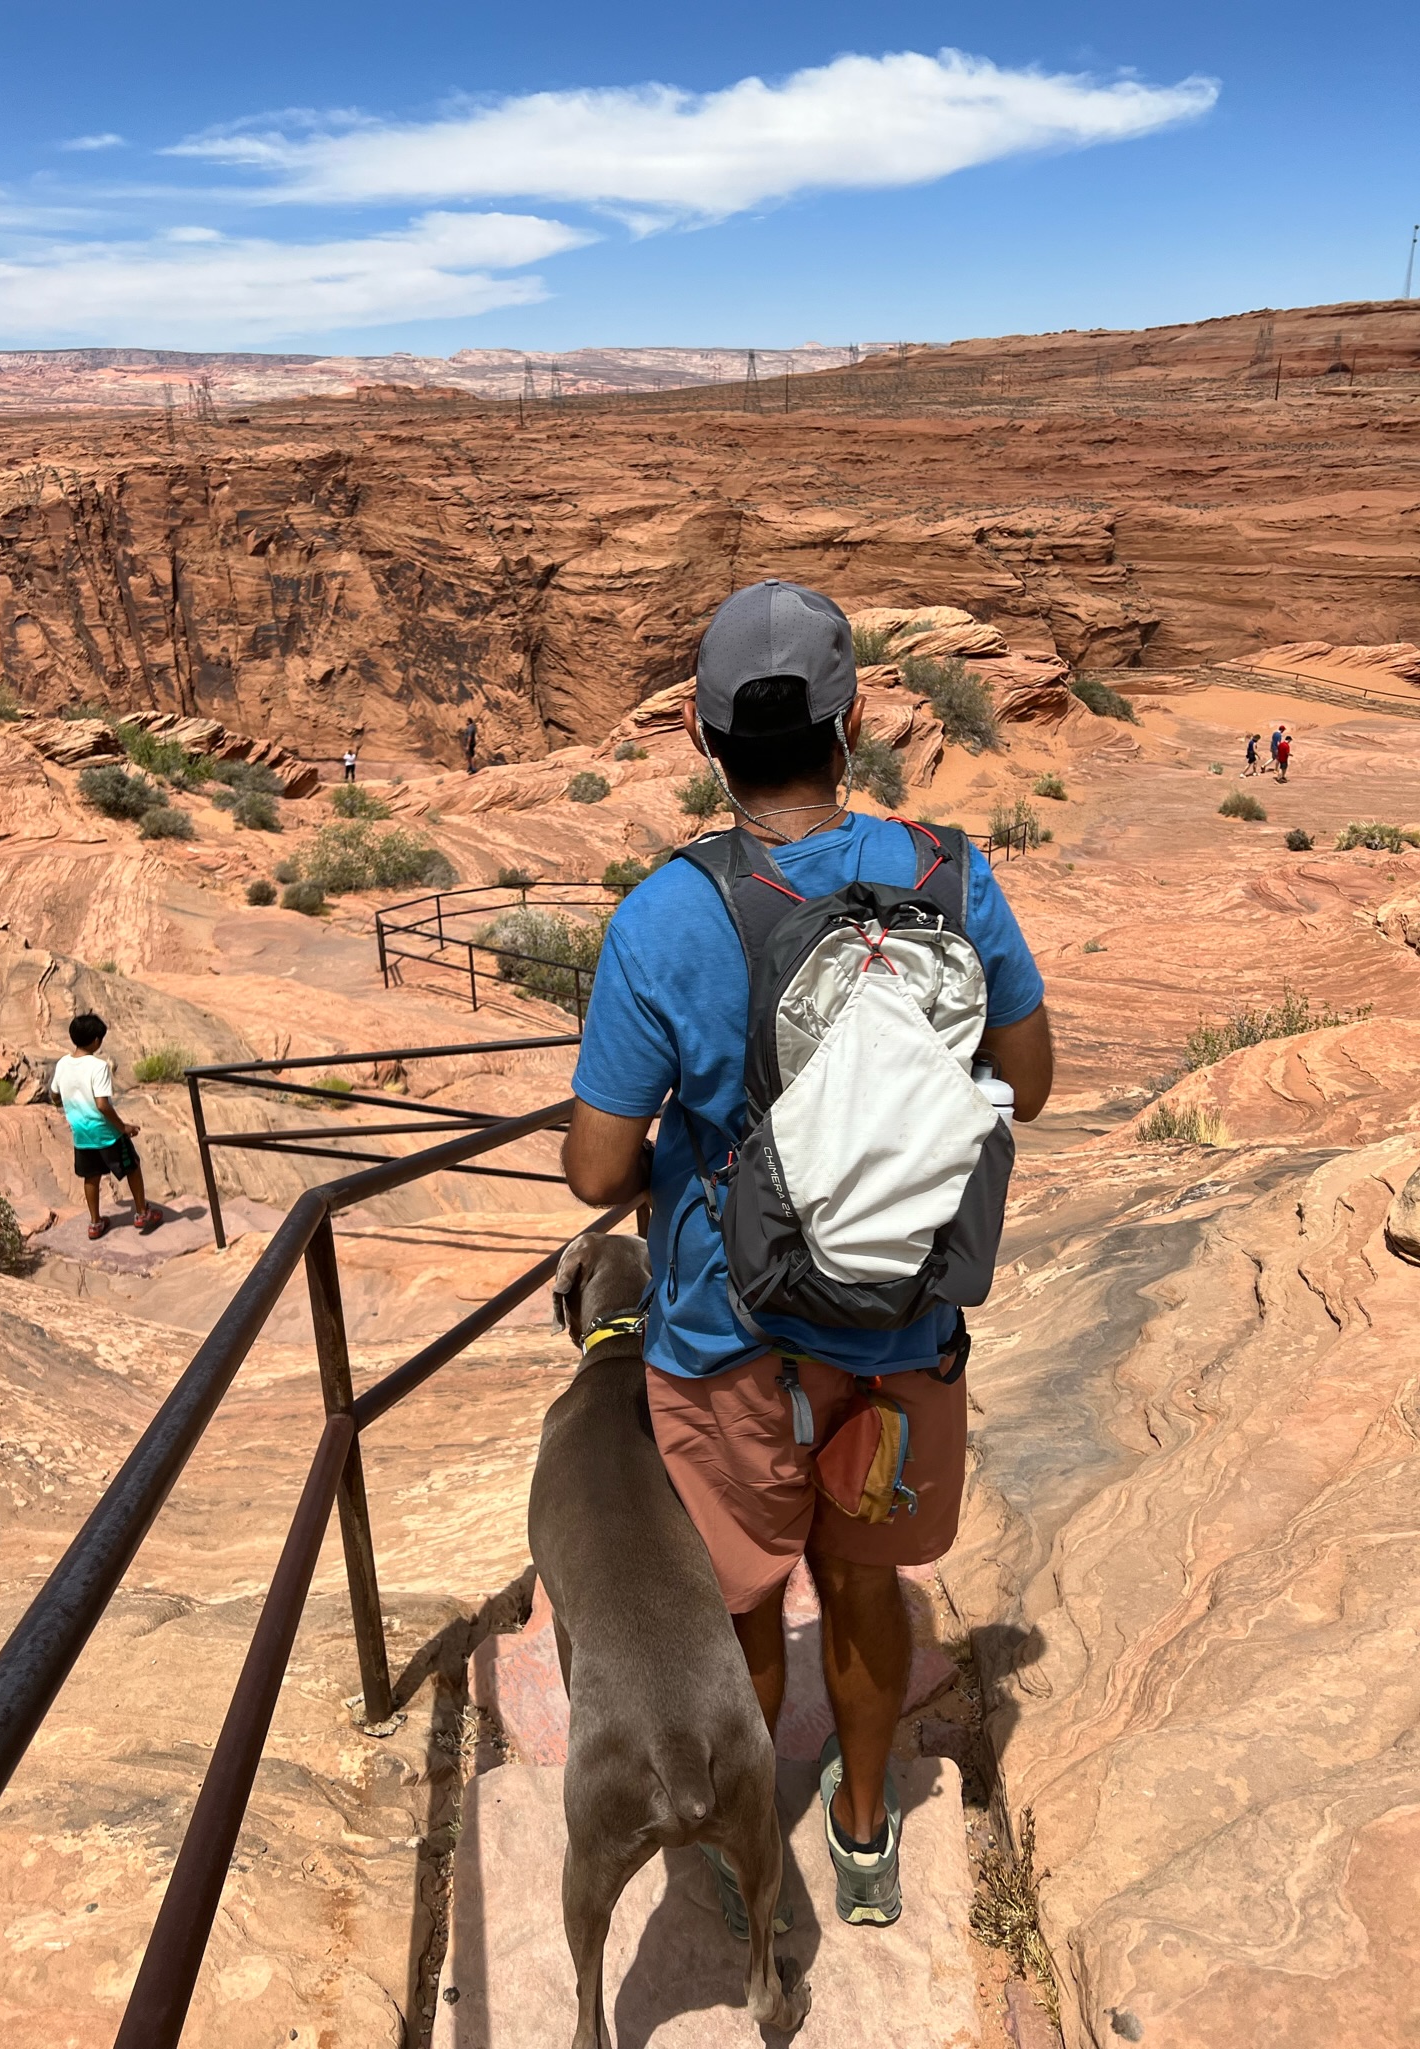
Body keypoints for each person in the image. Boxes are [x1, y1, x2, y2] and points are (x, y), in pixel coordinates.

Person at [562, 580, 1052, 1931]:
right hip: (900, 1334)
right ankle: (864, 1827)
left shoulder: (669, 915)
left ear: (703, 736)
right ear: (851, 727)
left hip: (729, 1346)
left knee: (743, 1601)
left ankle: (747, 1831)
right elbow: (1033, 1079)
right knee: (863, 1580)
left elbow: (600, 1173)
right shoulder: (951, 874)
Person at [50, 1013, 163, 1239]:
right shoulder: (98, 1067)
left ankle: (95, 1223)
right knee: (132, 1166)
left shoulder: (63, 1063)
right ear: (96, 1041)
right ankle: (142, 1213)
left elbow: (54, 1095)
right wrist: (123, 1128)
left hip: (81, 1132)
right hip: (106, 1133)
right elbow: (103, 1105)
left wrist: (69, 1108)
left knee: (90, 1176)